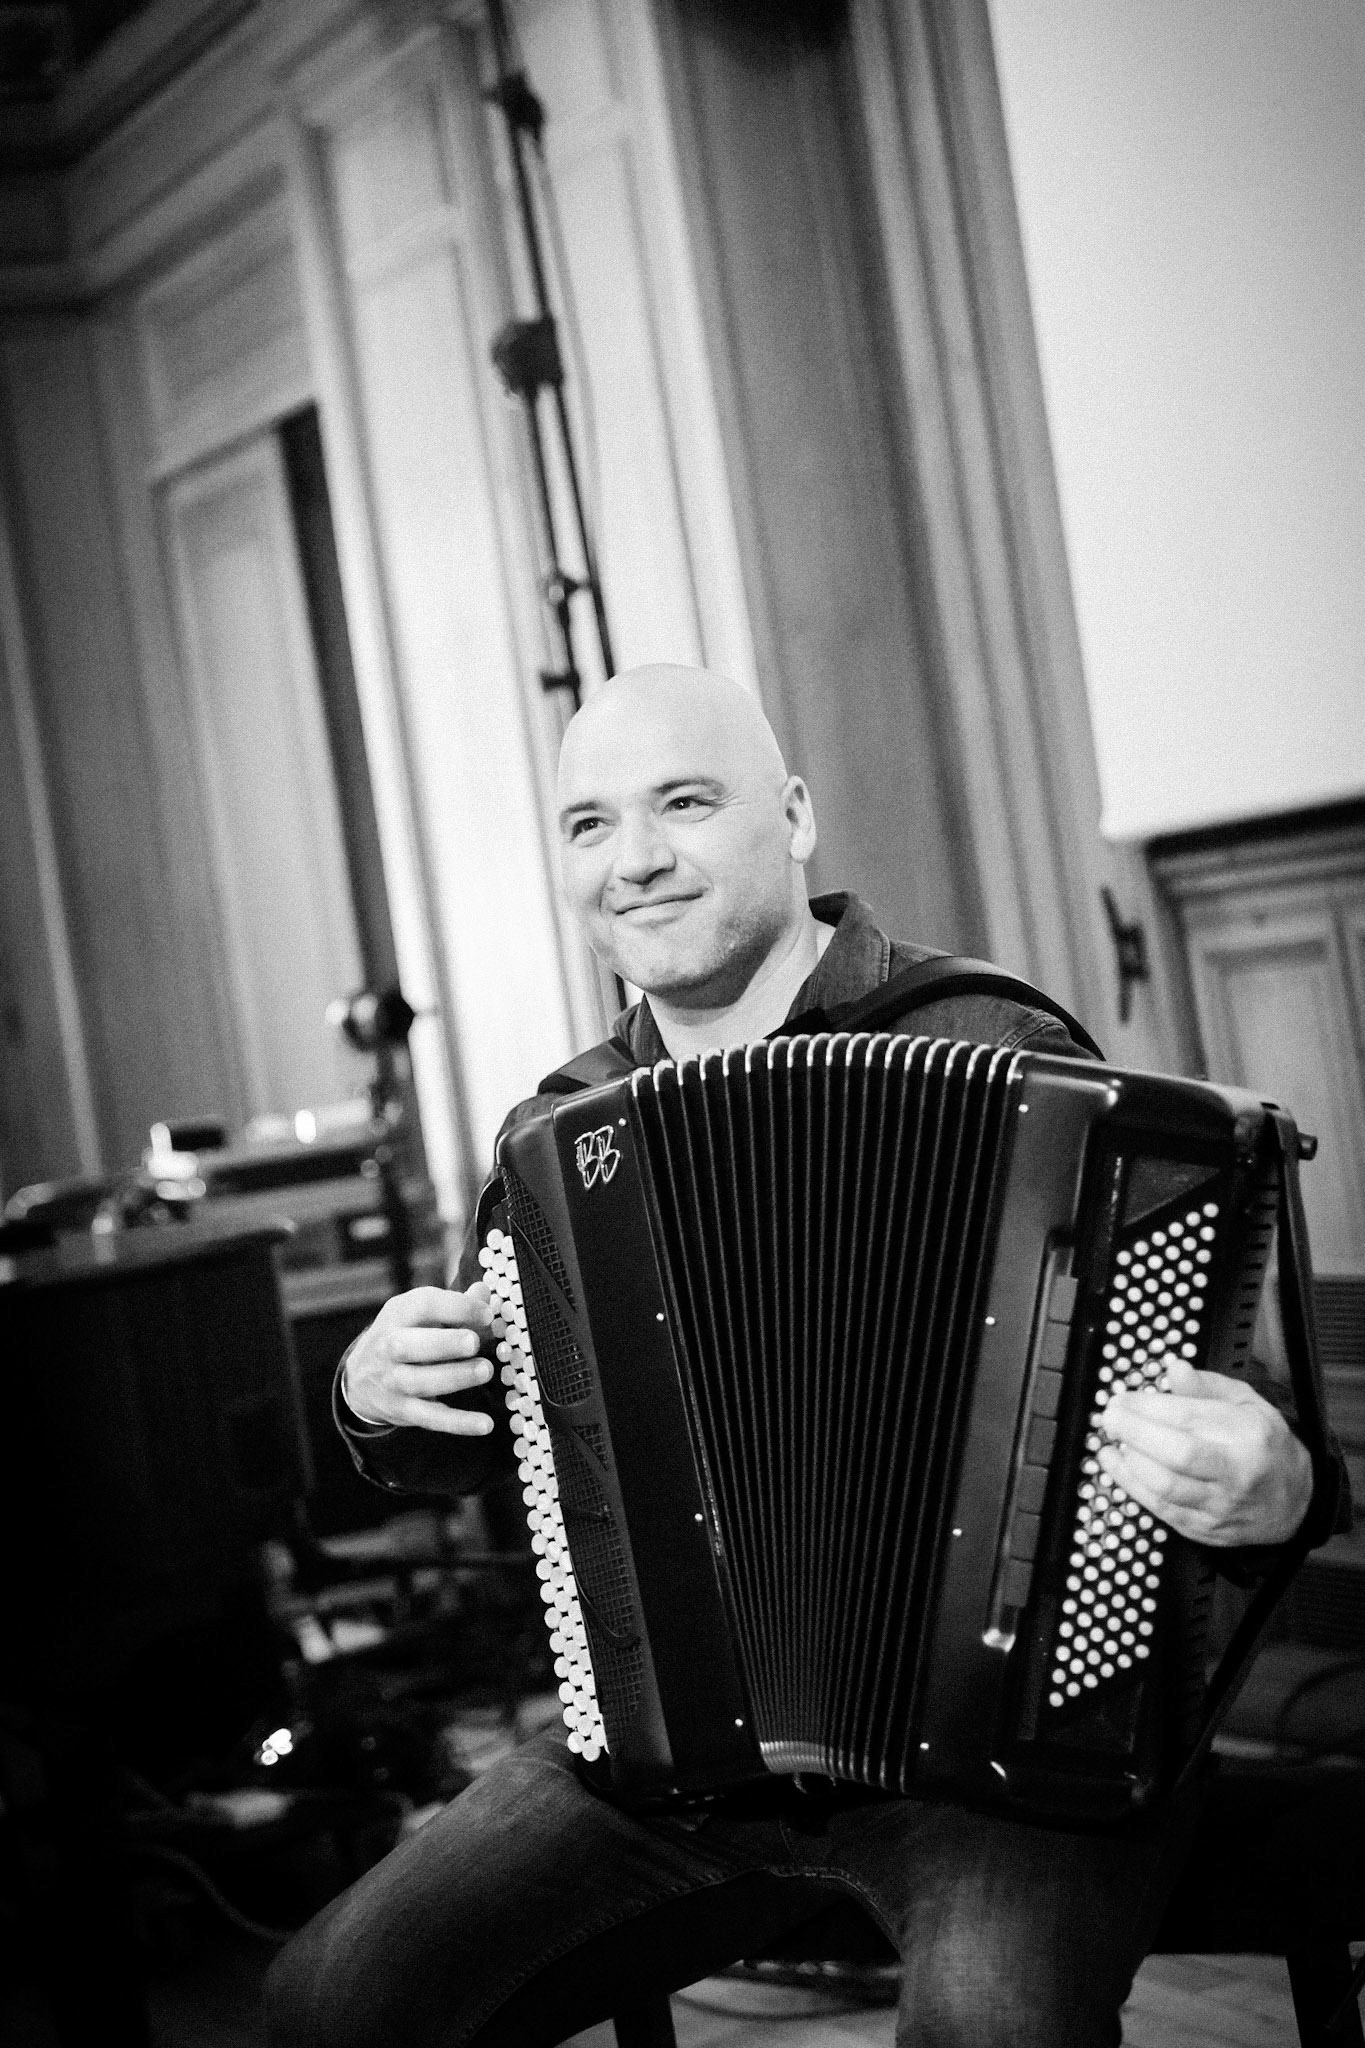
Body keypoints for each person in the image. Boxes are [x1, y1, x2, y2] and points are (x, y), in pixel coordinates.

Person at [267, 664, 1337, 2048]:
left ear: (792, 814)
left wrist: (1272, 1488)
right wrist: (374, 1393)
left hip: (1005, 1754)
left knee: (990, 2029)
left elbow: (1230, 1441)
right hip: (669, 1756)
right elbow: (474, 1449)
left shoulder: (995, 1051)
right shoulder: (559, 1141)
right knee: (326, 2001)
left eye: (683, 803)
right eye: (588, 825)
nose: (635, 860)